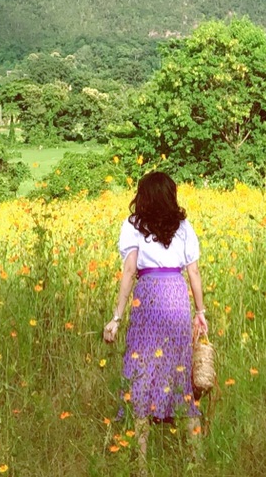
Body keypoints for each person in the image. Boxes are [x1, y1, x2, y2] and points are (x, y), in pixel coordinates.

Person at [102, 170, 208, 428]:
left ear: (144, 196)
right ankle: (195, 462)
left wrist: (116, 317)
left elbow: (129, 271)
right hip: (176, 296)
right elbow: (193, 271)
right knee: (178, 370)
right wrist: (200, 312)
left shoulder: (133, 225)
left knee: (142, 369)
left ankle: (141, 464)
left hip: (148, 295)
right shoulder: (183, 227)